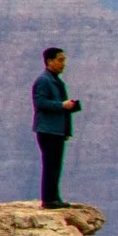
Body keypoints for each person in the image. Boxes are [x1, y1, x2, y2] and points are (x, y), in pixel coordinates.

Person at [31, 48, 81, 209]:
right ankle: (48, 199)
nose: (63, 64)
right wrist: (62, 105)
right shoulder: (43, 81)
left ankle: (54, 196)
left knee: (55, 165)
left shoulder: (55, 80)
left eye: (64, 60)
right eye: (60, 60)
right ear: (49, 61)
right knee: (50, 164)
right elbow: (40, 103)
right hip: (48, 130)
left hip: (57, 130)